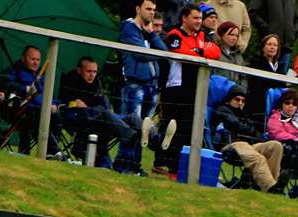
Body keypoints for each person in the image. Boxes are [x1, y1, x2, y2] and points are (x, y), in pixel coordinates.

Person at [155, 3, 219, 172]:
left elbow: (215, 52)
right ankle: (160, 162)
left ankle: (178, 167)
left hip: (195, 88)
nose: (199, 21)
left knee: (187, 128)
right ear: (184, 18)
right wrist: (200, 52)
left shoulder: (202, 36)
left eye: (200, 18)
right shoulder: (174, 34)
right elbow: (182, 54)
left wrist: (197, 50)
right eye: (195, 18)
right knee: (169, 126)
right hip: (176, 87)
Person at [57, 56, 144, 173]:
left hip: (101, 117)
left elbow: (104, 105)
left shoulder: (96, 83)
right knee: (105, 114)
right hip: (82, 119)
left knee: (133, 118)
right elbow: (70, 105)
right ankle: (132, 136)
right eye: (89, 71)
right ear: (79, 70)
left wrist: (90, 107)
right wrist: (90, 108)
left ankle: (157, 141)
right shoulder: (70, 82)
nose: (92, 75)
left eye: (94, 72)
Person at [213, 85, 284, 190]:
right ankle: (270, 187)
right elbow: (235, 124)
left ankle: (274, 185)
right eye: (237, 99)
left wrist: (252, 131)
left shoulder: (244, 114)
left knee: (275, 146)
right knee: (258, 158)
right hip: (231, 145)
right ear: (229, 100)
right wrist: (250, 129)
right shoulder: (222, 109)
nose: (240, 103)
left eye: (243, 101)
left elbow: (253, 130)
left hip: (248, 145)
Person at [118, 0, 168, 129]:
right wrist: (158, 54)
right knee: (132, 128)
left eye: (153, 9)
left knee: (144, 131)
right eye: (148, 9)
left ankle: (149, 143)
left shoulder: (149, 32)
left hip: (152, 85)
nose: (151, 13)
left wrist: (151, 34)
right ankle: (153, 142)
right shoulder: (129, 27)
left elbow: (165, 52)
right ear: (138, 9)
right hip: (135, 84)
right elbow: (140, 54)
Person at [0, 45, 50, 153]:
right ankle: (49, 151)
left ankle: (51, 153)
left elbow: (45, 95)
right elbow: (6, 84)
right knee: (31, 116)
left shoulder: (42, 76)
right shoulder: (14, 70)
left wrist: (53, 104)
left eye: (38, 60)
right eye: (32, 59)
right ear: (23, 58)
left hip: (40, 109)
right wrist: (24, 88)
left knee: (55, 117)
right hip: (17, 110)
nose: (36, 62)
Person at [247, 33, 290, 118]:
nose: (272, 47)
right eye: (269, 44)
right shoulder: (256, 62)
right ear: (263, 47)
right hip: (259, 101)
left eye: (275, 45)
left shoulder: (279, 66)